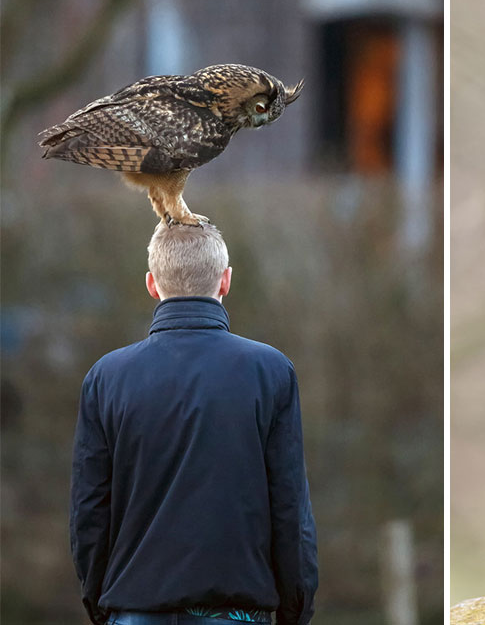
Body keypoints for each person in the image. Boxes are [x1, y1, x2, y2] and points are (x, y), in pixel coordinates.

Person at [70, 223, 318, 625]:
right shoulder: (269, 371)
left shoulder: (106, 377)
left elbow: (89, 512)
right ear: (226, 281)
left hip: (134, 611)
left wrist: (102, 606)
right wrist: (295, 610)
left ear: (152, 284)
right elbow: (290, 509)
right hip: (238, 615)